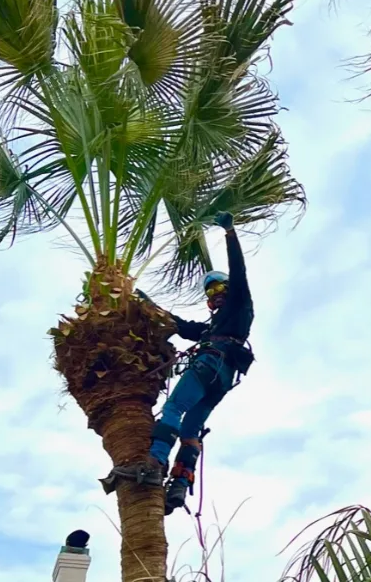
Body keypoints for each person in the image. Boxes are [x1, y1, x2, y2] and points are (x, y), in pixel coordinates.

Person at [148, 211, 256, 515]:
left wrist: (230, 233)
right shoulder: (211, 329)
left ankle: (155, 462)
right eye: (210, 291)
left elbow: (239, 272)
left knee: (172, 409)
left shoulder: (240, 305)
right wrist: (143, 301)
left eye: (219, 287)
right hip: (221, 379)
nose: (215, 294)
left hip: (209, 366)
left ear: (229, 289)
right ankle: (179, 485)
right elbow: (181, 325)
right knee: (191, 430)